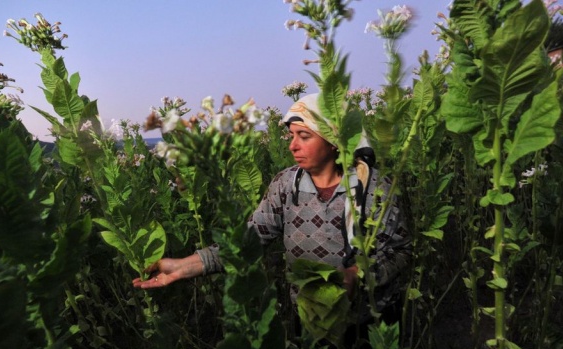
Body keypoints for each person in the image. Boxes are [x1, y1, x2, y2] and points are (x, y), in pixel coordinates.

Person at [132, 92, 411, 326]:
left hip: (371, 322)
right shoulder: (287, 184)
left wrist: (358, 276)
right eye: (291, 135)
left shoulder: (374, 188)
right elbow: (249, 241)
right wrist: (184, 266)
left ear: (334, 139)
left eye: (304, 136)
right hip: (311, 320)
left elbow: (401, 252)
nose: (292, 145)